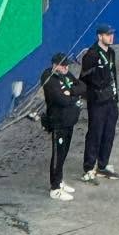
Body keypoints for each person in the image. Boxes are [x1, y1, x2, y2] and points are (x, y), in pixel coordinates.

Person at [78, 23, 119, 182]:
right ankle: (89, 167)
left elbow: (113, 75)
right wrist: (96, 92)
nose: (111, 37)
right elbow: (84, 79)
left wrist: (115, 97)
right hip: (97, 102)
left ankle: (103, 164)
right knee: (95, 133)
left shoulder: (111, 53)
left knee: (109, 133)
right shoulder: (91, 55)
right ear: (99, 36)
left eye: (112, 34)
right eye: (108, 34)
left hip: (111, 100)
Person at [41, 53, 81, 201]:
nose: (66, 68)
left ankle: (60, 180)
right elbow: (61, 100)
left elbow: (81, 86)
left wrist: (71, 93)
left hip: (69, 121)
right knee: (58, 155)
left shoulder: (65, 74)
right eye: (63, 65)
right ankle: (55, 188)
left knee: (64, 153)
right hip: (58, 123)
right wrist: (73, 96)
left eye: (67, 65)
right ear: (55, 65)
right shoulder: (49, 78)